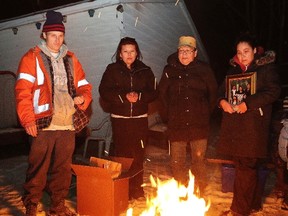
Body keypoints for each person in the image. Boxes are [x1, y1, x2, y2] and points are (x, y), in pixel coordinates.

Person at [15, 10, 92, 216]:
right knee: (37, 168)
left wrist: (83, 98)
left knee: (63, 169)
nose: (57, 40)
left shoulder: (71, 59)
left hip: (67, 123)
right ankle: (31, 204)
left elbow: (84, 85)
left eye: (60, 36)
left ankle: (57, 205)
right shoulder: (31, 58)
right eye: (53, 36)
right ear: (44, 35)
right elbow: (22, 92)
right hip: (42, 123)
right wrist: (27, 119)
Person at [217, 33, 281, 216]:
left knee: (246, 167)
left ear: (254, 51)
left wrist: (248, 104)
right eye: (239, 52)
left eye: (246, 51)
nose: (242, 55)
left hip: (253, 128)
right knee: (245, 167)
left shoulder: (266, 69)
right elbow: (220, 93)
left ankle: (238, 210)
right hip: (235, 128)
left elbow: (273, 91)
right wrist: (222, 102)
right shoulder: (233, 71)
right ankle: (251, 204)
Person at [99, 37, 158, 199]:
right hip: (120, 120)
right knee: (122, 156)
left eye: (132, 51)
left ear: (137, 53)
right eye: (125, 51)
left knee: (138, 154)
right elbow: (104, 91)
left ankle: (137, 189)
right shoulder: (112, 69)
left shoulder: (145, 70)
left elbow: (154, 91)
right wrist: (123, 97)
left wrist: (139, 96)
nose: (129, 54)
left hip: (139, 119)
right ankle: (122, 189)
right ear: (120, 54)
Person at [158, 36, 218, 191]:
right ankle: (181, 192)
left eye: (188, 51)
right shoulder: (169, 70)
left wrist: (204, 114)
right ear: (177, 52)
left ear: (195, 53)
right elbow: (161, 95)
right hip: (176, 125)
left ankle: (200, 193)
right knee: (177, 162)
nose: (184, 54)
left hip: (199, 125)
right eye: (181, 50)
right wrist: (168, 117)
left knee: (199, 161)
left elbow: (213, 94)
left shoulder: (204, 70)